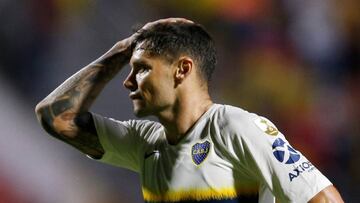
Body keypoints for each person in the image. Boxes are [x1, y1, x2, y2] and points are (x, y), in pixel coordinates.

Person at [35, 18, 344, 203]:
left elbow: (323, 198)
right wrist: (121, 51)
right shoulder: (146, 142)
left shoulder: (236, 128)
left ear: (182, 70)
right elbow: (56, 117)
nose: (128, 82)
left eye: (141, 69)